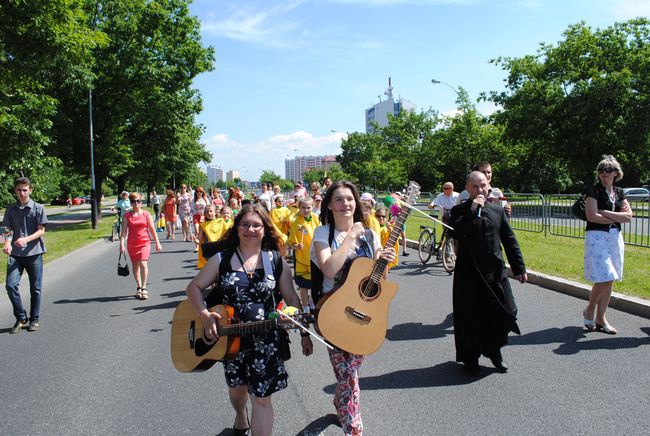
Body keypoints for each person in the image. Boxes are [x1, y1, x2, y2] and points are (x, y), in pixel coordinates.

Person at [185, 203, 313, 436]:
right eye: (245, 224)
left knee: (262, 399)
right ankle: (240, 415)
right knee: (237, 389)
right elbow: (193, 287)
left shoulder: (275, 260)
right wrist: (204, 315)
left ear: (265, 229)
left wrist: (302, 329)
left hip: (266, 341)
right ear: (237, 228)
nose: (250, 229)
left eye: (256, 225)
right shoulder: (221, 260)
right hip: (230, 341)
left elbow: (292, 298)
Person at [310, 181, 395, 435]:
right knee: (348, 374)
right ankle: (353, 427)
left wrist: (385, 262)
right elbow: (329, 269)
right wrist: (350, 236)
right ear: (329, 204)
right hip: (332, 313)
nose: (345, 204)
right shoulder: (322, 234)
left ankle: (340, 401)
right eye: (339, 199)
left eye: (349, 199)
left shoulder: (371, 234)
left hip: (364, 313)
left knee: (349, 372)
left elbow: (379, 278)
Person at [449, 171, 527, 376]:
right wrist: (472, 209)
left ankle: (494, 350)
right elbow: (455, 232)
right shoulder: (459, 211)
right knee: (470, 317)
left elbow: (509, 240)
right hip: (469, 274)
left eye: (483, 185)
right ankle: (471, 357)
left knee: (508, 310)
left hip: (495, 272)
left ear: (488, 186)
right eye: (475, 186)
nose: (480, 190)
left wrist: (519, 268)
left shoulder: (497, 211)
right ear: (467, 188)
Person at [582, 155, 632, 335]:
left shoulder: (619, 192)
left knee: (610, 278)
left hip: (614, 237)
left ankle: (600, 318)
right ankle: (589, 309)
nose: (604, 173)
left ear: (616, 173)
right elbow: (592, 216)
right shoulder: (592, 190)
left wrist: (604, 212)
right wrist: (614, 215)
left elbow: (628, 217)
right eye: (601, 170)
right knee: (605, 275)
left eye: (608, 170)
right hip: (597, 236)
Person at [3, 177, 48, 333]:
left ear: (30, 190)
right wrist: (7, 243)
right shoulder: (10, 209)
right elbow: (8, 230)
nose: (22, 193)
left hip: (34, 253)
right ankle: (21, 317)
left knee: (35, 288)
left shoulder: (38, 208)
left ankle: (34, 320)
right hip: (16, 254)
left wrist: (26, 239)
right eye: (19, 190)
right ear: (15, 191)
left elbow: (42, 230)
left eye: (25, 190)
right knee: (10, 285)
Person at [120, 192, 163, 300]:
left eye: (138, 201)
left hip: (144, 242)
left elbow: (152, 230)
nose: (136, 203)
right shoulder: (127, 216)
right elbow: (124, 232)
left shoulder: (146, 214)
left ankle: (144, 287)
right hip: (132, 244)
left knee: (143, 263)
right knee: (135, 266)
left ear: (141, 202)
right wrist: (122, 244)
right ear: (130, 203)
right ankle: (138, 286)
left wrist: (157, 242)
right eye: (133, 201)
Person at [288, 197, 320, 313]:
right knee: (304, 285)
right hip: (302, 257)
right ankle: (305, 306)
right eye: (303, 208)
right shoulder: (297, 222)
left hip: (314, 256)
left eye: (308, 207)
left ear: (312, 208)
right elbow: (291, 242)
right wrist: (296, 246)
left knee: (314, 283)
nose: (306, 210)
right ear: (299, 208)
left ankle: (311, 302)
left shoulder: (316, 219)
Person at [191, 186, 209, 252]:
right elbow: (192, 208)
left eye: (200, 192)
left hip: (203, 216)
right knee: (196, 229)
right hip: (196, 216)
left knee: (203, 231)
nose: (199, 193)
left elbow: (208, 207)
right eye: (197, 192)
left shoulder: (205, 199)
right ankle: (197, 246)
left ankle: (203, 244)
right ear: (195, 192)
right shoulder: (194, 200)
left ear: (202, 192)